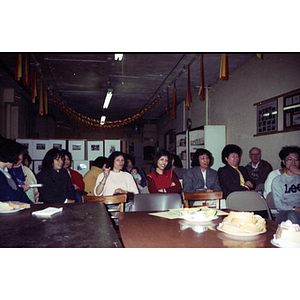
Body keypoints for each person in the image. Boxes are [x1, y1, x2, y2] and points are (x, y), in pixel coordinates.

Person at [272, 146, 300, 225]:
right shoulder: (278, 180)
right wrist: (296, 209)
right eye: (289, 159)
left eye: (296, 159)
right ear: (284, 162)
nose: (293, 163)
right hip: (286, 212)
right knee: (293, 215)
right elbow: (279, 205)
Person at [0, 139, 32, 203]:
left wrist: (32, 205)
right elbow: (9, 197)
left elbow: (20, 194)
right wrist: (22, 189)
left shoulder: (9, 171)